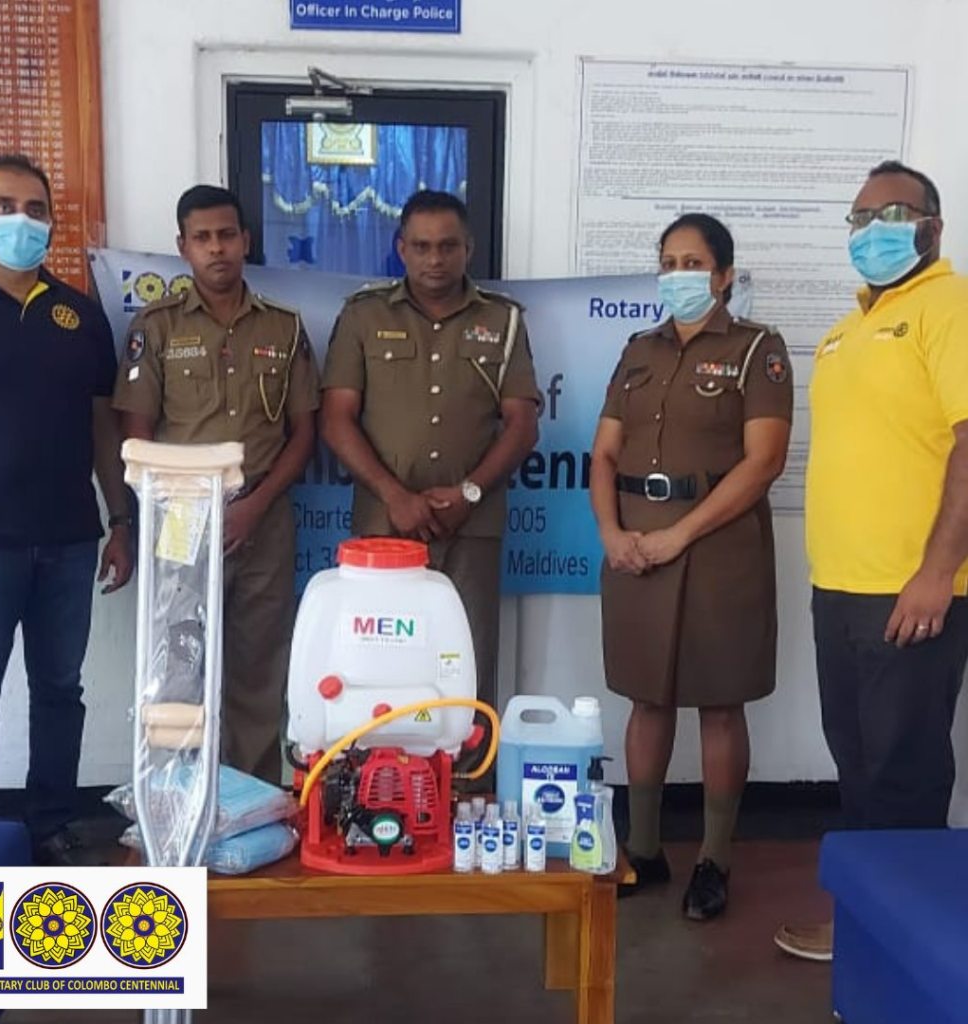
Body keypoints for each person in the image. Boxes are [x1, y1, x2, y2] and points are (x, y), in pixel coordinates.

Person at [775, 161, 968, 961]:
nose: (870, 230)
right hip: (841, 588)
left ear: (932, 226)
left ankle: (904, 951)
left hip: (911, 589)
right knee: (858, 766)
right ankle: (865, 929)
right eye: (858, 218)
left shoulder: (950, 306)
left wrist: (936, 573)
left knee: (903, 771)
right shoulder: (846, 328)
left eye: (890, 214)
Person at [590, 213, 792, 920]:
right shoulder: (638, 350)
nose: (679, 275)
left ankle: (714, 860)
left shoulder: (756, 349)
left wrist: (680, 535)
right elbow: (604, 453)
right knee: (645, 697)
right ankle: (644, 849)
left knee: (719, 700)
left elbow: (763, 462)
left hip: (718, 545)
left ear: (725, 276)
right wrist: (611, 532)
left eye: (694, 263)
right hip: (635, 540)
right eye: (669, 262)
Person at [0, 153, 134, 864]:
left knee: (60, 689)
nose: (20, 220)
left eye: (35, 208)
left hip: (68, 539)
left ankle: (50, 824)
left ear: (52, 219)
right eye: (5, 206)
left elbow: (103, 428)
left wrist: (121, 521)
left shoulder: (78, 316)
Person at [112, 184, 319, 785]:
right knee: (179, 667)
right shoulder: (156, 326)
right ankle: (178, 797)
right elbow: (135, 434)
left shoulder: (284, 327)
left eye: (226, 235)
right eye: (201, 238)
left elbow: (304, 435)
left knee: (258, 668)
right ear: (183, 247)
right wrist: (173, 505)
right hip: (180, 516)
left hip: (264, 515)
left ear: (245, 240)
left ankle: (250, 799)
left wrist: (253, 507)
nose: (216, 248)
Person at [319, 190, 539, 710]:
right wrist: (395, 496)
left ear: (468, 249)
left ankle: (470, 766)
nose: (434, 259)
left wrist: (469, 493)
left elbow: (523, 425)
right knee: (380, 665)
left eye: (447, 246)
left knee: (466, 663)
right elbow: (335, 419)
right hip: (383, 527)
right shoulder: (363, 316)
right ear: (402, 249)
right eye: (421, 246)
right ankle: (383, 765)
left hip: (471, 525)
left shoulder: (503, 321)